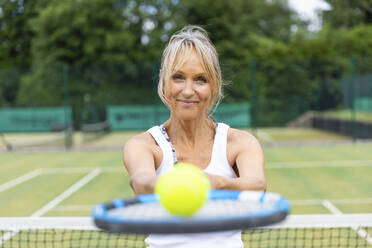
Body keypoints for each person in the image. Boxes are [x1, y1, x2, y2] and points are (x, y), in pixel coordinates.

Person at [123, 25, 266, 248]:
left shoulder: (240, 143)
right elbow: (141, 183)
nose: (188, 90)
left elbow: (257, 186)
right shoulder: (144, 145)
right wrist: (190, 184)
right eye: (178, 77)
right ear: (163, 81)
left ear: (214, 85)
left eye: (200, 79)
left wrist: (214, 182)